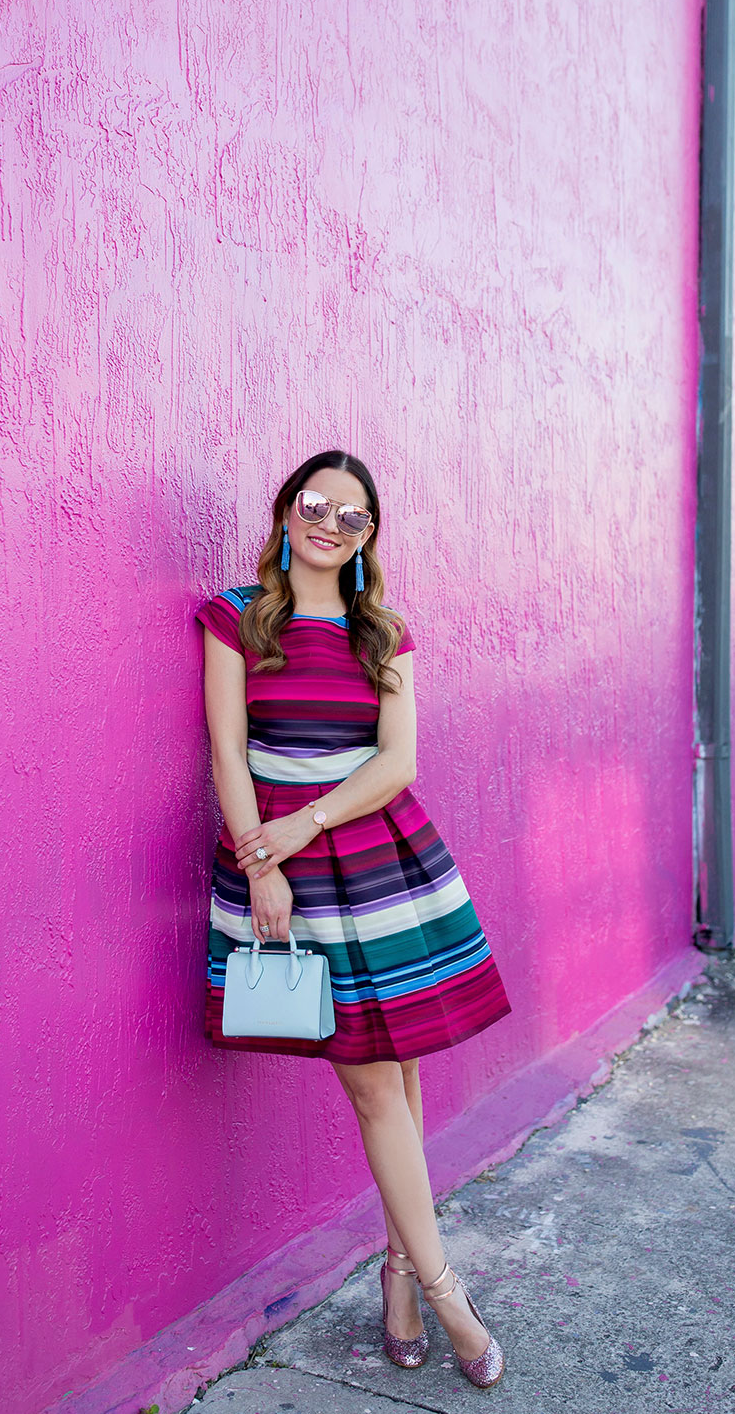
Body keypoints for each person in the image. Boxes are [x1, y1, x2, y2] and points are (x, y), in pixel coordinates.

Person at [195, 450, 512, 1389]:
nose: (329, 524)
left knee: (401, 1080)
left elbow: (397, 763)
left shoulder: (384, 634)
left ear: (370, 536)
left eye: (353, 517)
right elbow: (226, 752)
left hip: (380, 860)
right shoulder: (235, 620)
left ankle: (403, 1279)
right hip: (283, 872)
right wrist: (265, 863)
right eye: (317, 504)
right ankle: (449, 1293)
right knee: (378, 1089)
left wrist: (307, 823)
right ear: (289, 507)